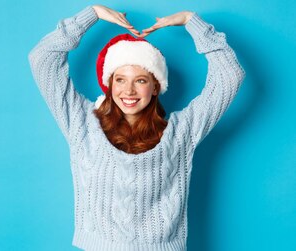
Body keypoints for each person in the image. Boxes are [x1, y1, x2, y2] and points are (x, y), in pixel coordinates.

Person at [27, 4, 245, 250]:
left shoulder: (182, 131)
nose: (128, 91)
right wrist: (92, 14)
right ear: (109, 84)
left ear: (155, 87)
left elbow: (230, 75)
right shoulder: (82, 123)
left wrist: (191, 21)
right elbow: (42, 59)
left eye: (140, 80)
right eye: (120, 79)